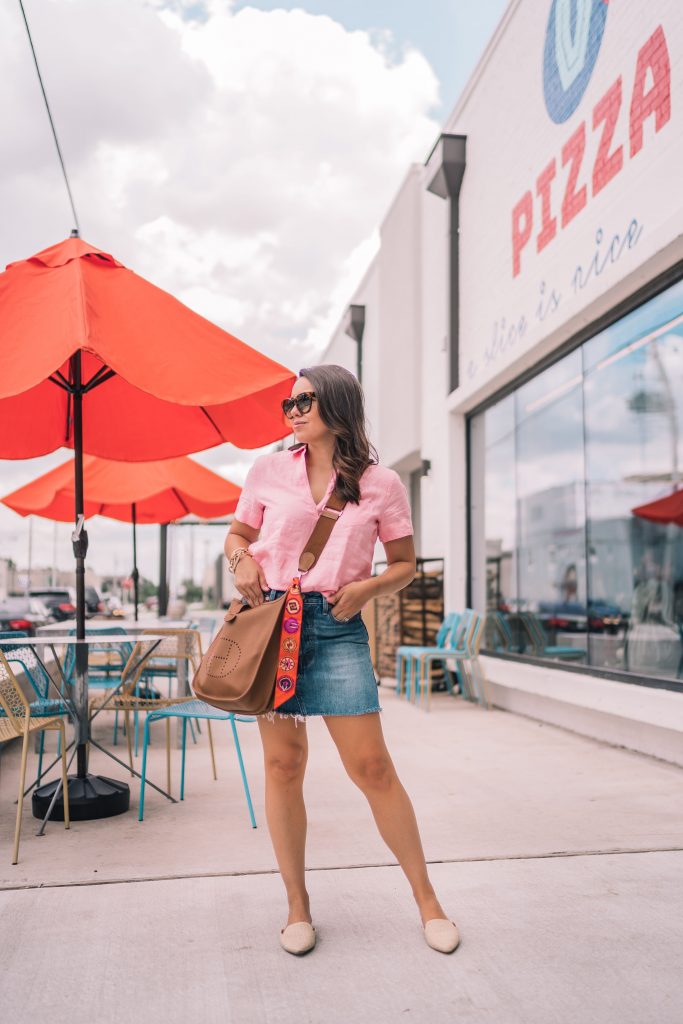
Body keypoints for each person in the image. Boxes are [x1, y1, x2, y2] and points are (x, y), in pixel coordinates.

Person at [225, 364, 460, 956]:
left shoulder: (379, 483)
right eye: (289, 402)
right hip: (273, 625)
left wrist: (367, 590)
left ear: (337, 403)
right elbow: (236, 536)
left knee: (373, 767)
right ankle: (297, 908)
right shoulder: (267, 470)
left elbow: (404, 565)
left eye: (305, 400)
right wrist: (240, 561)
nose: (294, 410)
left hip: (336, 629)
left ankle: (428, 901)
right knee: (283, 767)